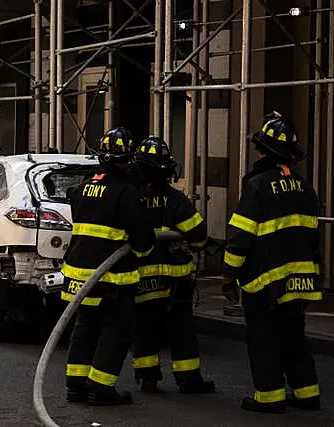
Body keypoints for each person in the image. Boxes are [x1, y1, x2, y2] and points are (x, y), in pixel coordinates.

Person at [222, 111, 322, 413]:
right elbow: (312, 239)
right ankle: (307, 394)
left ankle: (269, 397)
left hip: (265, 281)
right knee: (294, 337)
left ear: (262, 150)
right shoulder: (306, 188)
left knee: (264, 339)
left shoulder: (257, 186)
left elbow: (241, 235)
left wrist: (229, 275)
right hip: (300, 279)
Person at [61, 127, 156, 406]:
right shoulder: (125, 192)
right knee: (116, 330)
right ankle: (101, 388)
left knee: (85, 327)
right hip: (112, 278)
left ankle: (76, 385)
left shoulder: (83, 188)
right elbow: (142, 240)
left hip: (79, 273)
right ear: (128, 160)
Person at [130, 136, 216, 395]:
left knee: (144, 327)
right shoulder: (176, 200)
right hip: (175, 281)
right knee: (181, 329)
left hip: (141, 277)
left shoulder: (131, 197)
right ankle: (188, 379)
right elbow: (199, 235)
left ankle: (147, 378)